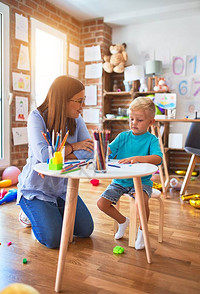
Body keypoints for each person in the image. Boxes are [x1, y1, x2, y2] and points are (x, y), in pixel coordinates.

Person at [17, 76, 94, 248]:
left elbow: (90, 152)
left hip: (62, 189)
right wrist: (74, 147)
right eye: (79, 101)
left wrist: (60, 153)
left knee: (85, 229)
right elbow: (44, 155)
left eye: (84, 100)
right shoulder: (36, 117)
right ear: (63, 100)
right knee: (54, 240)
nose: (82, 106)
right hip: (36, 189)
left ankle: (49, 213)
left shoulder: (76, 118)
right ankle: (28, 212)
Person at [97, 97, 163, 250]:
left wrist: (138, 158)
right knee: (101, 203)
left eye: (139, 120)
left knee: (141, 202)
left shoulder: (151, 140)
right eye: (131, 119)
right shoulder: (123, 137)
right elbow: (109, 151)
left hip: (141, 182)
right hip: (120, 181)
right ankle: (122, 221)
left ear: (150, 122)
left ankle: (142, 231)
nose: (133, 123)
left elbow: (158, 158)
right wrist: (102, 148)